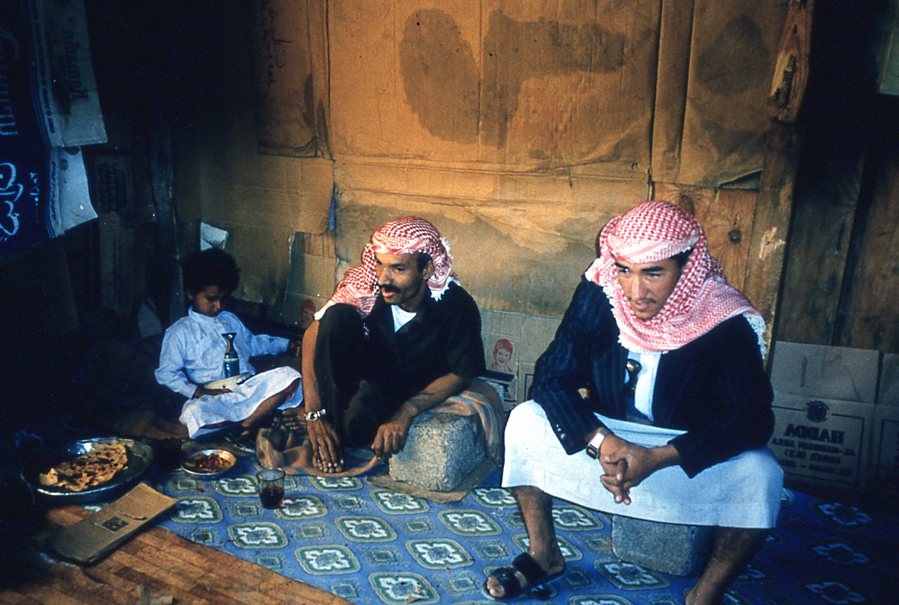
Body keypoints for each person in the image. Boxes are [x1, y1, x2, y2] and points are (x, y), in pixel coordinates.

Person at [484, 201, 783, 605]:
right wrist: (603, 441)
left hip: (681, 448)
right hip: (609, 435)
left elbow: (752, 419)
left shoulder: (723, 319)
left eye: (653, 273)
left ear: (685, 267)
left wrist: (658, 457)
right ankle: (544, 554)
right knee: (524, 420)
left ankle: (706, 592)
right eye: (625, 270)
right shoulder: (601, 294)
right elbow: (552, 377)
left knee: (761, 474)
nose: (635, 292)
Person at [292, 216, 486, 473]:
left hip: (411, 387)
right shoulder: (367, 287)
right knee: (336, 316)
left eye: (398, 269)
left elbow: (461, 373)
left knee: (355, 432)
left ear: (426, 270)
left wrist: (407, 411)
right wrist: (314, 413)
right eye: (380, 265)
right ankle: (327, 425)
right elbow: (314, 333)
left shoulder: (455, 306)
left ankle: (340, 429)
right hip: (366, 378)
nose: (384, 279)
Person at [155, 248, 302, 441]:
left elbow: (254, 344)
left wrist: (287, 345)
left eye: (223, 299)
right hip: (215, 397)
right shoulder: (180, 332)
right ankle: (254, 420)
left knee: (289, 375)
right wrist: (199, 391)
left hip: (247, 388)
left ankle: (248, 422)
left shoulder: (230, 320)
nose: (218, 305)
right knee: (195, 413)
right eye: (211, 299)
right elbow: (166, 374)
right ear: (190, 293)